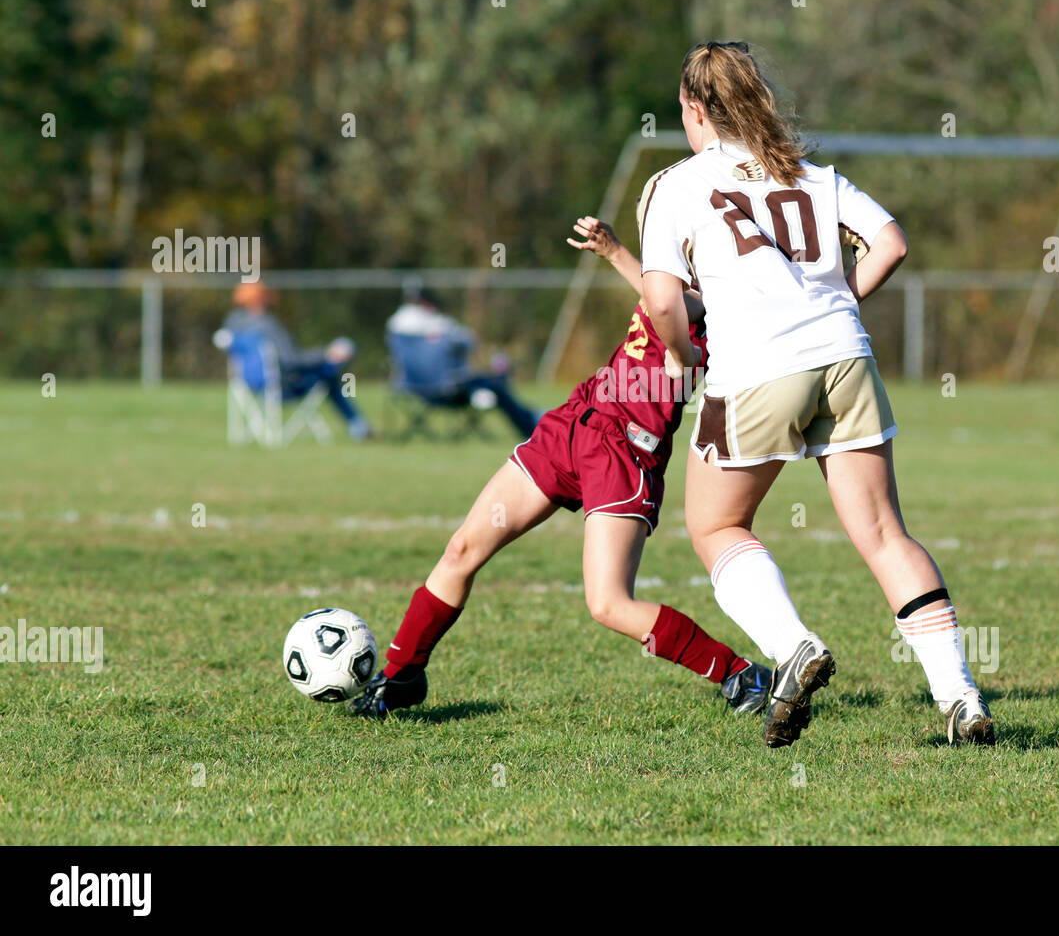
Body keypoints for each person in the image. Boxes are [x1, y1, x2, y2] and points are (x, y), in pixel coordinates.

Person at [639, 40, 994, 748]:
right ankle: (961, 698)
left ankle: (794, 646)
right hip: (845, 358)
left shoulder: (677, 184)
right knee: (887, 534)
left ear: (693, 108)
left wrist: (683, 359)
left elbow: (663, 304)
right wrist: (839, 305)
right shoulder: (810, 172)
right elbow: (890, 242)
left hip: (757, 369)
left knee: (715, 527)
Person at [349, 218, 770, 720]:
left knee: (608, 603)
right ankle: (400, 678)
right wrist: (615, 252)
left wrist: (630, 263)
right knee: (462, 547)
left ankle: (740, 674)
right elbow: (662, 298)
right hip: (572, 427)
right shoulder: (675, 292)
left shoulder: (725, 318)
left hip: (623, 454)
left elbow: (675, 317)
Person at [219, 282, 372, 440]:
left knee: (330, 373)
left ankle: (357, 423)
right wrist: (326, 354)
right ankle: (357, 424)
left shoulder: (232, 326)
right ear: (258, 301)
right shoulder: (268, 325)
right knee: (332, 369)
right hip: (285, 385)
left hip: (250, 385)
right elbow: (291, 360)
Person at [385, 288, 539, 439]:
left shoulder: (395, 327)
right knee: (496, 385)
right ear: (427, 304)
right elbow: (467, 341)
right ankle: (531, 425)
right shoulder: (441, 325)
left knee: (487, 385)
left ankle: (486, 397)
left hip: (408, 386)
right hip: (448, 389)